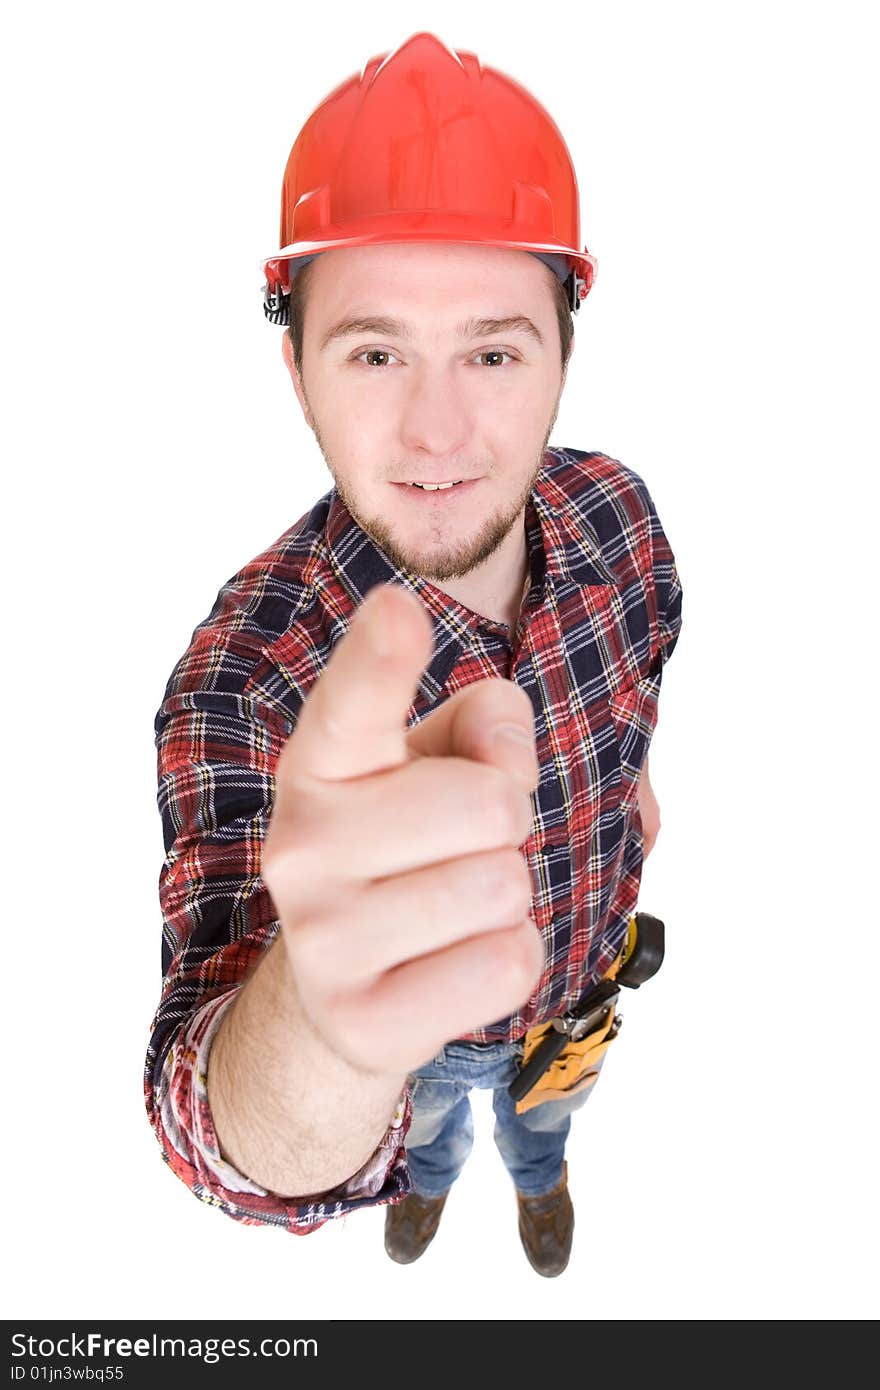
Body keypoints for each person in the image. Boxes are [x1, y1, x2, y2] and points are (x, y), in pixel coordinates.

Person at [143, 30, 684, 1278]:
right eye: (376, 351)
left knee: (546, 1127)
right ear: (294, 365)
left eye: (492, 352)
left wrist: (633, 793)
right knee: (433, 1138)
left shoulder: (621, 518)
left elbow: (644, 676)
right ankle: (423, 1198)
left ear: (561, 353)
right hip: (417, 1069)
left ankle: (539, 1187)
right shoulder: (244, 681)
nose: (438, 430)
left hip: (583, 992)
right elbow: (215, 1118)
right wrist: (330, 1035)